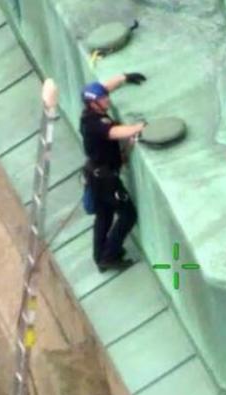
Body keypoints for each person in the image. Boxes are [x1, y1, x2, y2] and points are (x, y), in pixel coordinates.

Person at [80, 73, 148, 272]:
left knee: (104, 216)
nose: (107, 99)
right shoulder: (96, 123)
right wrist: (139, 126)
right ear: (94, 104)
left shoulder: (90, 112)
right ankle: (109, 256)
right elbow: (116, 132)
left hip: (96, 175)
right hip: (106, 180)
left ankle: (100, 256)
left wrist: (125, 77)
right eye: (102, 99)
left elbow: (104, 87)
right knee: (128, 215)